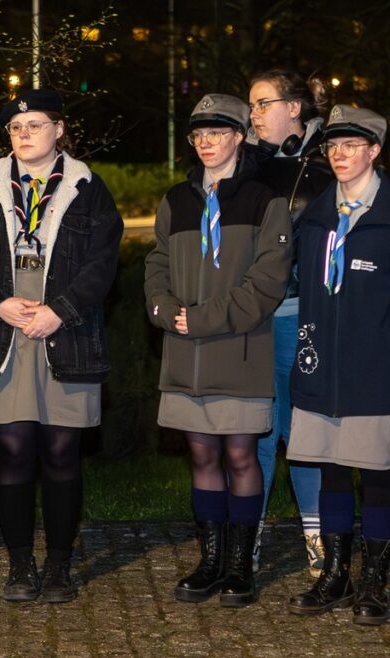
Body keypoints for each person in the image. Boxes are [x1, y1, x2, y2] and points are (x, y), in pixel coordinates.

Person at [0, 89, 123, 604]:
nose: (24, 134)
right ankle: (20, 564)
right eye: (16, 128)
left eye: (36, 125)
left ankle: (59, 566)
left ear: (59, 129)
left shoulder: (88, 188)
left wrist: (60, 311)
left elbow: (102, 262)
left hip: (65, 333)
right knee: (12, 452)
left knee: (62, 452)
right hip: (4, 332)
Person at [284, 106, 390, 624]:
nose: (340, 154)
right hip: (319, 373)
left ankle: (373, 579)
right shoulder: (315, 217)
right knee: (331, 475)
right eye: (333, 146)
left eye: (351, 145)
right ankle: (336, 575)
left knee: (375, 477)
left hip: (375, 376)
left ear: (374, 150)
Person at [144, 94, 292, 607]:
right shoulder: (176, 200)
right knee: (202, 455)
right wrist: (165, 310)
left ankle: (239, 565)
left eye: (218, 132)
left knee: (241, 455)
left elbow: (268, 282)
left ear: (239, 137)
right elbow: (157, 264)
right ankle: (210, 561)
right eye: (199, 134)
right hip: (185, 355)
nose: (206, 142)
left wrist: (203, 318)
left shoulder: (264, 200)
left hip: (239, 349)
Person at [247, 68, 335, 576]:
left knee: (302, 434)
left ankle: (318, 542)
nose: (254, 114)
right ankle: (248, 538)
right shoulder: (245, 163)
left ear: (294, 108)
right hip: (249, 318)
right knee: (254, 431)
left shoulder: (330, 161)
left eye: (263, 103)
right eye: (251, 105)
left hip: (300, 315)